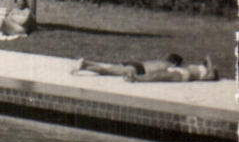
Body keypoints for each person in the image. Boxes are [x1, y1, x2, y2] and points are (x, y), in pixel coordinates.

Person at [73, 53, 218, 82]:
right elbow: (159, 75)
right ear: (175, 64)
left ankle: (86, 64)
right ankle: (86, 65)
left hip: (137, 63)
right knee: (108, 71)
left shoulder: (161, 60)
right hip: (140, 70)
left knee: (109, 70)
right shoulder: (169, 66)